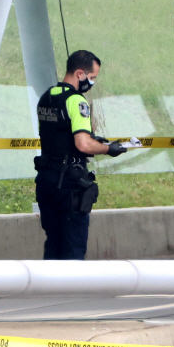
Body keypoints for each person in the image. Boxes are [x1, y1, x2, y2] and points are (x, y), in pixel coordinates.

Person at [34, 50, 127, 261]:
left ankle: (50, 283)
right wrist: (108, 149)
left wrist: (94, 140)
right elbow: (82, 144)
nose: (92, 82)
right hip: (69, 183)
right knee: (73, 247)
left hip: (46, 179)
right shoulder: (77, 101)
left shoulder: (46, 97)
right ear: (79, 74)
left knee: (53, 243)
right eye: (92, 77)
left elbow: (59, 134)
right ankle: (72, 284)